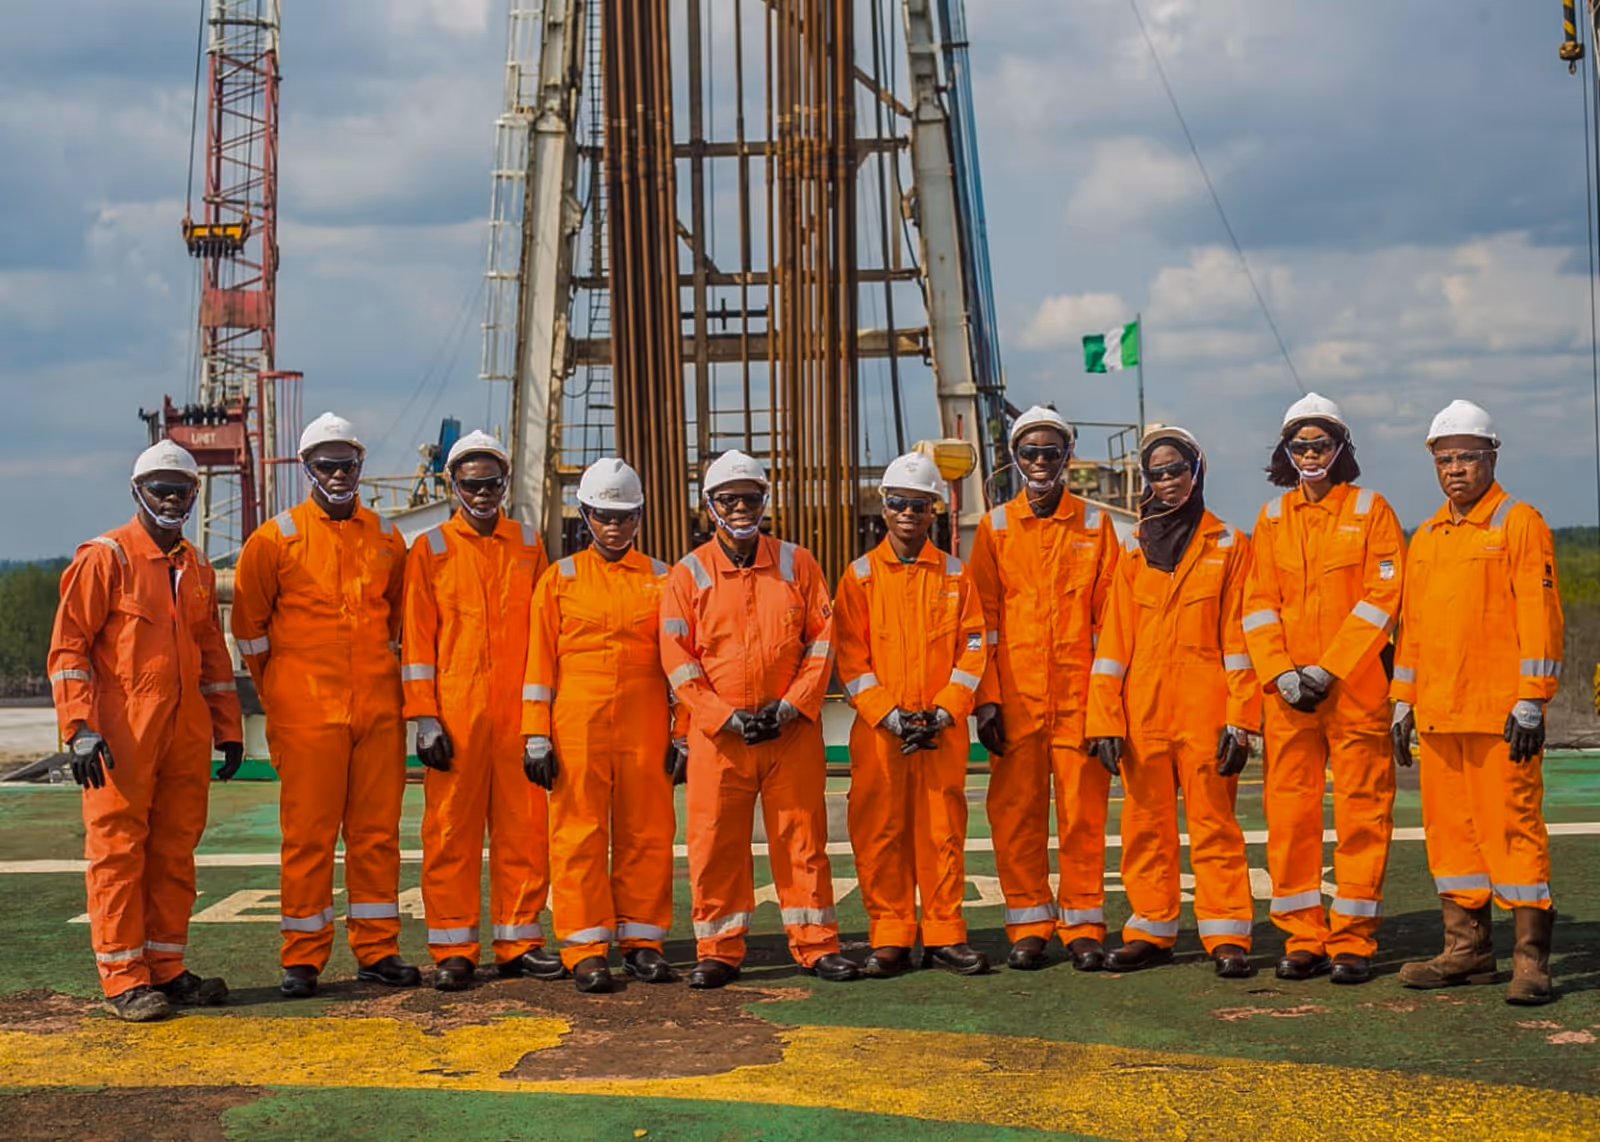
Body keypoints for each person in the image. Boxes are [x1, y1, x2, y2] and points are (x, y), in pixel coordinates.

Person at [47, 441, 244, 1021]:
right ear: (138, 492)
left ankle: (166, 967)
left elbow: (212, 655)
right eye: (160, 489)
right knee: (118, 851)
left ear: (194, 496)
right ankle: (123, 977)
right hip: (120, 733)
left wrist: (228, 729)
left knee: (175, 850)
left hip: (183, 733)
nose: (171, 499)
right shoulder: (106, 558)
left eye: (181, 490)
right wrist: (79, 728)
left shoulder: (198, 567)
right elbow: (69, 649)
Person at [233, 412, 420, 998]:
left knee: (376, 835)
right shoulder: (274, 540)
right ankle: (303, 957)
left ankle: (377, 949)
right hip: (306, 715)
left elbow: (398, 618)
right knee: (308, 837)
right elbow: (250, 632)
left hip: (377, 713)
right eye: (326, 465)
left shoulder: (387, 539)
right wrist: (282, 692)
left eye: (347, 464)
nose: (338, 474)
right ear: (305, 468)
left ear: (359, 467)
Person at [659, 450, 859, 987]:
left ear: (764, 501)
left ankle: (817, 945)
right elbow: (677, 659)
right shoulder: (688, 574)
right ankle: (718, 950)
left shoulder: (798, 563)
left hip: (789, 732)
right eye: (730, 499)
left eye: (750, 497)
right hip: (718, 740)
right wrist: (721, 716)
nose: (741, 507)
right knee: (715, 843)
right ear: (710, 506)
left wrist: (792, 705)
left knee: (802, 840)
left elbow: (822, 642)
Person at [1392, 401, 1564, 1005]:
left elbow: (1538, 616)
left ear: (1492, 456)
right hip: (1439, 715)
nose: (1456, 469)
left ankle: (1529, 960)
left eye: (1467, 456)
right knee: (1451, 838)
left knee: (1512, 831)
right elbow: (1412, 630)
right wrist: (1401, 700)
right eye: (1445, 459)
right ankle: (1466, 951)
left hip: (1498, 716)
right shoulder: (1429, 536)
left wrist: (1530, 700)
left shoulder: (1519, 523)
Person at [1242, 393, 1405, 985]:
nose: (1311, 454)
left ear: (1341, 450)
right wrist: (1282, 672)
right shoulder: (1272, 518)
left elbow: (1382, 599)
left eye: (1322, 444)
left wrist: (1328, 669)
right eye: (1300, 445)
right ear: (1286, 452)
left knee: (1363, 814)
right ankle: (1302, 935)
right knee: (1290, 817)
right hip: (1288, 698)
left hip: (1354, 692)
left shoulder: (1370, 510)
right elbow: (1257, 603)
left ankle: (1353, 940)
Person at [1085, 427, 1259, 977]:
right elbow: (1113, 643)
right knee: (1144, 825)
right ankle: (1150, 929)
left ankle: (1227, 933)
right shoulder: (1134, 549)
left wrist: (1242, 719)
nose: (1167, 481)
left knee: (1215, 825)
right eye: (1156, 473)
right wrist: (1104, 717)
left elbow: (1241, 639)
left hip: (1206, 710)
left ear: (1197, 471)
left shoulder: (1230, 545)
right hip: (1144, 713)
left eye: (1176, 469)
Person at [402, 431, 563, 992]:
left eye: (493, 482)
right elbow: (417, 640)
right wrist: (424, 717)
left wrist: (541, 725)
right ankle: (454, 948)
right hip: (456, 716)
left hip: (518, 714)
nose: (484, 493)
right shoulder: (431, 549)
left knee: (524, 831)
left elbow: (546, 635)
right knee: (450, 833)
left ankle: (519, 941)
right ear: (453, 485)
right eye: (472, 483)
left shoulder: (528, 544)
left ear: (504, 483)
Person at [969, 406, 1120, 972]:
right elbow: (979, 623)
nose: (1039, 462)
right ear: (1015, 457)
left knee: (1083, 818)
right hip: (1016, 701)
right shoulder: (995, 528)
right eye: (1029, 452)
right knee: (1016, 816)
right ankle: (1029, 923)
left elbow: (1111, 624)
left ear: (1066, 458)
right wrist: (986, 699)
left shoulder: (1094, 525)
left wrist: (1106, 709)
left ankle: (1083, 924)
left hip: (1079, 702)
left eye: (1050, 452)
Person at [523, 458, 680, 994]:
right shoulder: (559, 580)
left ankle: (643, 943)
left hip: (646, 724)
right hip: (577, 725)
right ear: (584, 515)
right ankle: (585, 947)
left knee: (649, 833)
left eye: (625, 516)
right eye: (604, 516)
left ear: (639, 516)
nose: (615, 526)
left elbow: (681, 664)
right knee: (577, 836)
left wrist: (681, 735)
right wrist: (536, 734)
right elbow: (539, 664)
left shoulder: (666, 580)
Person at [834, 452, 990, 978]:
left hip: (940, 732)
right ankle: (891, 936)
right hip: (882, 733)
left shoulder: (955, 575)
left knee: (941, 830)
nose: (907, 513)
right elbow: (850, 657)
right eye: (899, 503)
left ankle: (945, 935)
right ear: (884, 507)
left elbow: (973, 647)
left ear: (933, 512)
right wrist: (888, 714)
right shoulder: (858, 578)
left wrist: (945, 711)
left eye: (918, 505)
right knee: (880, 832)